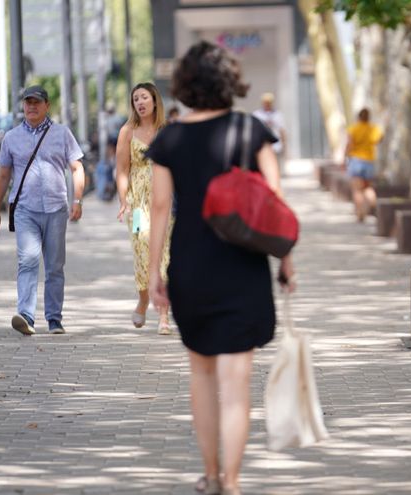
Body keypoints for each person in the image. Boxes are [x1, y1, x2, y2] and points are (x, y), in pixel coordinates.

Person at [145, 41, 296, 495]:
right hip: (243, 269)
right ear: (230, 80)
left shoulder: (168, 139)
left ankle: (209, 476)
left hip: (190, 267)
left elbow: (158, 207)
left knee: (201, 375)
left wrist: (154, 274)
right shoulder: (251, 130)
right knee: (236, 385)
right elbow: (276, 204)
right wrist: (287, 263)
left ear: (186, 84)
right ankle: (231, 482)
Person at [0, 85, 85, 336]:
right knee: (28, 260)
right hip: (25, 210)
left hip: (56, 208)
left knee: (54, 266)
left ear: (47, 105)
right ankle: (26, 316)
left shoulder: (62, 133)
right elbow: (2, 175)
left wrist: (78, 201)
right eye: (27, 102)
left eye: (36, 102)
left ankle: (54, 319)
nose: (31, 106)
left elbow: (77, 167)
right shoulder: (11, 137)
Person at [115, 82, 174, 335]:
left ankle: (163, 316)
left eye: (144, 97)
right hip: (138, 204)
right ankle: (143, 299)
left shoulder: (167, 130)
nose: (139, 102)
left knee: (165, 255)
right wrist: (123, 200)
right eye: (135, 98)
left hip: (166, 201)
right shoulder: (127, 131)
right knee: (142, 250)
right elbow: (122, 170)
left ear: (154, 101)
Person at [344, 108, 383, 222]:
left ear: (359, 117)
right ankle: (374, 205)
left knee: (357, 190)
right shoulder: (373, 128)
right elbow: (380, 138)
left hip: (356, 161)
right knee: (368, 188)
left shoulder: (354, 129)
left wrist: (345, 156)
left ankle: (360, 213)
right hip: (369, 161)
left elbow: (349, 144)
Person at [252, 92, 285, 174]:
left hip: (276, 145)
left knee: (277, 167)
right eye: (265, 102)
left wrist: (284, 144)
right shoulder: (257, 114)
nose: (267, 104)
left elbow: (282, 130)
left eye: (269, 102)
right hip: (261, 145)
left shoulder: (278, 114)